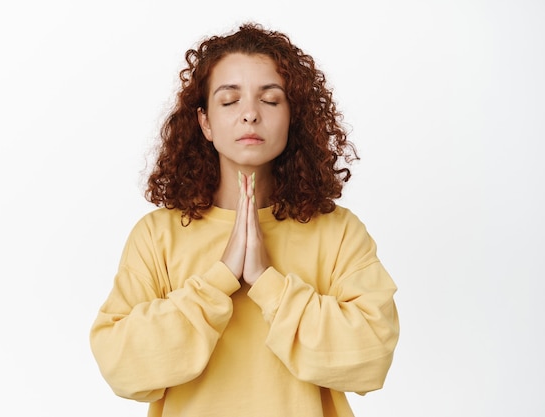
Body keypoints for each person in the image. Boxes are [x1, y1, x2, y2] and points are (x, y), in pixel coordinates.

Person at [90, 23, 399, 417]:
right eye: (229, 100)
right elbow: (121, 367)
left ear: (292, 117)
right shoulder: (157, 236)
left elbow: (371, 356)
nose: (250, 114)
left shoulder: (339, 233)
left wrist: (268, 282)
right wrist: (220, 278)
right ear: (204, 122)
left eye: (270, 101)